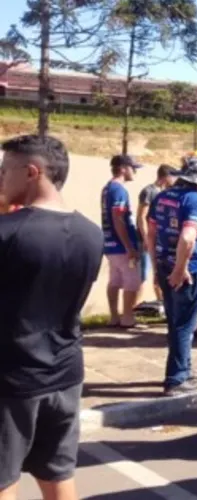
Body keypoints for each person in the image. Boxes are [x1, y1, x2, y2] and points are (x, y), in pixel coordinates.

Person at [0, 135, 104, 500]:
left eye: (4, 170)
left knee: (3, 479)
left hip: (12, 378)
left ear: (32, 172)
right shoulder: (91, 234)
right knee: (58, 475)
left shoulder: (8, 233)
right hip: (65, 373)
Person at [146, 155, 197, 396]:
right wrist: (180, 269)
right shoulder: (196, 200)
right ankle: (176, 378)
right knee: (185, 324)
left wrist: (158, 267)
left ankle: (183, 369)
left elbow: (152, 233)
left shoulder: (162, 196)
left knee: (176, 323)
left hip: (165, 265)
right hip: (188, 271)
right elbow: (188, 237)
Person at [101, 154, 144, 329]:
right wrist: (129, 246)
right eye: (133, 168)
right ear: (123, 168)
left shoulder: (107, 188)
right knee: (132, 280)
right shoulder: (118, 190)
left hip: (110, 243)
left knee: (115, 280)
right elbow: (118, 217)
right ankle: (127, 317)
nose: (135, 172)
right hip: (121, 245)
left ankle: (114, 317)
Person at [136, 164, 176, 314]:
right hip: (148, 239)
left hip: (160, 239)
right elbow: (141, 217)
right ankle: (135, 307)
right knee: (144, 274)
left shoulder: (164, 193)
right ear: (166, 176)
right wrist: (146, 239)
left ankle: (163, 304)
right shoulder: (149, 191)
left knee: (159, 273)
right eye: (173, 176)